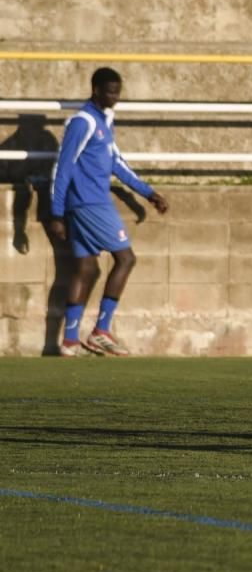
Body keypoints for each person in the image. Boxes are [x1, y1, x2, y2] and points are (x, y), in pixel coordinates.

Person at [50, 67, 169, 357]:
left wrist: (148, 193)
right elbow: (63, 166)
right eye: (110, 91)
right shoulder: (83, 122)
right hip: (90, 204)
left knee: (87, 268)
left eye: (118, 91)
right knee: (126, 258)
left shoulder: (105, 121)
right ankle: (101, 331)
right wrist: (56, 213)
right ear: (96, 91)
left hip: (87, 204)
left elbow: (117, 164)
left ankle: (69, 341)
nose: (115, 97)